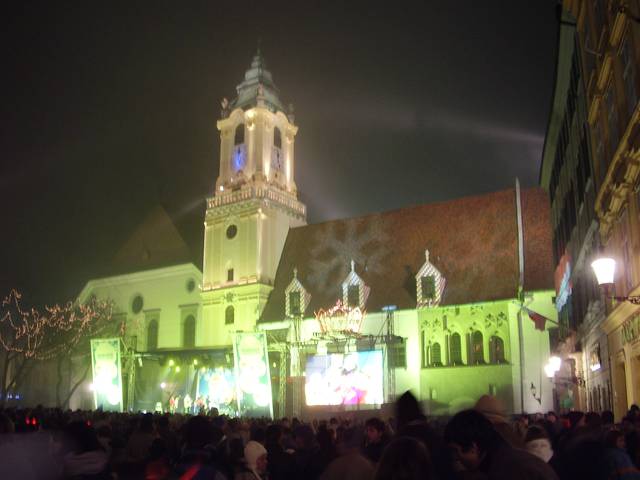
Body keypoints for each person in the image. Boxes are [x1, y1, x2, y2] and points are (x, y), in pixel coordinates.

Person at [444, 409, 558, 479]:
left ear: (474, 448)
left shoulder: (507, 471)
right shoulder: (509, 460)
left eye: (456, 451)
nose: (456, 458)